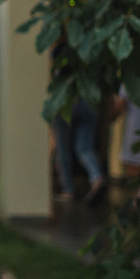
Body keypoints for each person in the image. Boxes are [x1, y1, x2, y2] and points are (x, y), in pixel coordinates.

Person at [49, 40, 107, 205]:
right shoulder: (85, 52)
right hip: (87, 102)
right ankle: (97, 178)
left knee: (63, 149)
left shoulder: (57, 54)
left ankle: (68, 190)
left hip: (65, 103)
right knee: (85, 148)